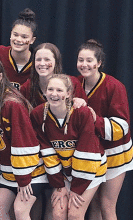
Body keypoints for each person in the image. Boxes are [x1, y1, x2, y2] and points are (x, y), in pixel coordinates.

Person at [0, 56, 47, 220]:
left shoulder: (11, 103)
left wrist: (23, 178)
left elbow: (24, 142)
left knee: (20, 211)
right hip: (9, 171)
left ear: (0, 76)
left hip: (30, 170)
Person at [30, 74, 107, 220]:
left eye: (59, 90)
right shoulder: (38, 114)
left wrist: (76, 189)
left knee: (74, 214)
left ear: (68, 93)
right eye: (50, 89)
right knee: (58, 213)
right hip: (65, 172)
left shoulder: (81, 113)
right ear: (45, 92)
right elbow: (47, 152)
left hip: (90, 169)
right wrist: (59, 185)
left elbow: (87, 152)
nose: (54, 94)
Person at [76, 39, 133, 220]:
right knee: (93, 204)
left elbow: (123, 126)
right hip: (92, 155)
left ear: (99, 63)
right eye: (80, 60)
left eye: (89, 60)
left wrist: (95, 120)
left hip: (115, 154)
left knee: (107, 206)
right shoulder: (76, 84)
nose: (84, 65)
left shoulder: (114, 86)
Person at [20, 43, 87, 108]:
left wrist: (81, 103)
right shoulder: (26, 88)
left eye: (47, 60)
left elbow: (86, 114)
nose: (42, 63)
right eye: (38, 60)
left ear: (56, 62)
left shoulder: (72, 83)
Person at [0, 8, 37, 90]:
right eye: (15, 35)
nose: (18, 40)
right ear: (10, 35)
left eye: (24, 37)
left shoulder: (38, 61)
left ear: (32, 40)